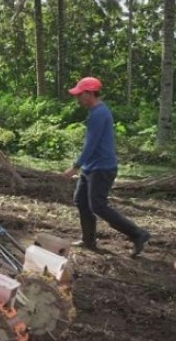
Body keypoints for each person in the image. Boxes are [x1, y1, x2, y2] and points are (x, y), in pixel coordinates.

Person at [62, 76, 150, 257]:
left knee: (98, 206)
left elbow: (91, 145)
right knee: (81, 201)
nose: (77, 99)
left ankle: (138, 234)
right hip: (91, 167)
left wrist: (75, 167)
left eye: (80, 95)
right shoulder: (95, 112)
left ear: (90, 93)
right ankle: (88, 240)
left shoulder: (99, 114)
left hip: (101, 168)